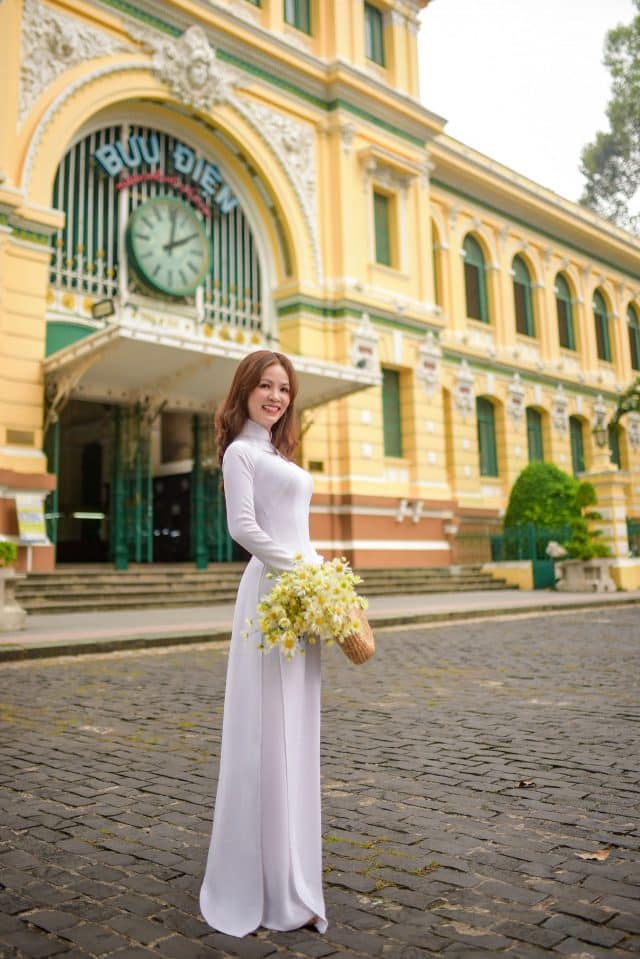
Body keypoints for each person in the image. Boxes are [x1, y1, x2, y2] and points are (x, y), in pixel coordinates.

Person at [199, 350, 328, 937]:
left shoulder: (278, 454)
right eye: (265, 387)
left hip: (303, 593)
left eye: (284, 389)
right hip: (275, 593)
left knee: (296, 726)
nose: (276, 397)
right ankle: (261, 881)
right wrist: (305, 571)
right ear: (245, 392)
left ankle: (292, 872)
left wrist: (321, 574)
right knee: (267, 726)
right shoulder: (241, 453)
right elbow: (243, 529)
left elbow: (294, 525)